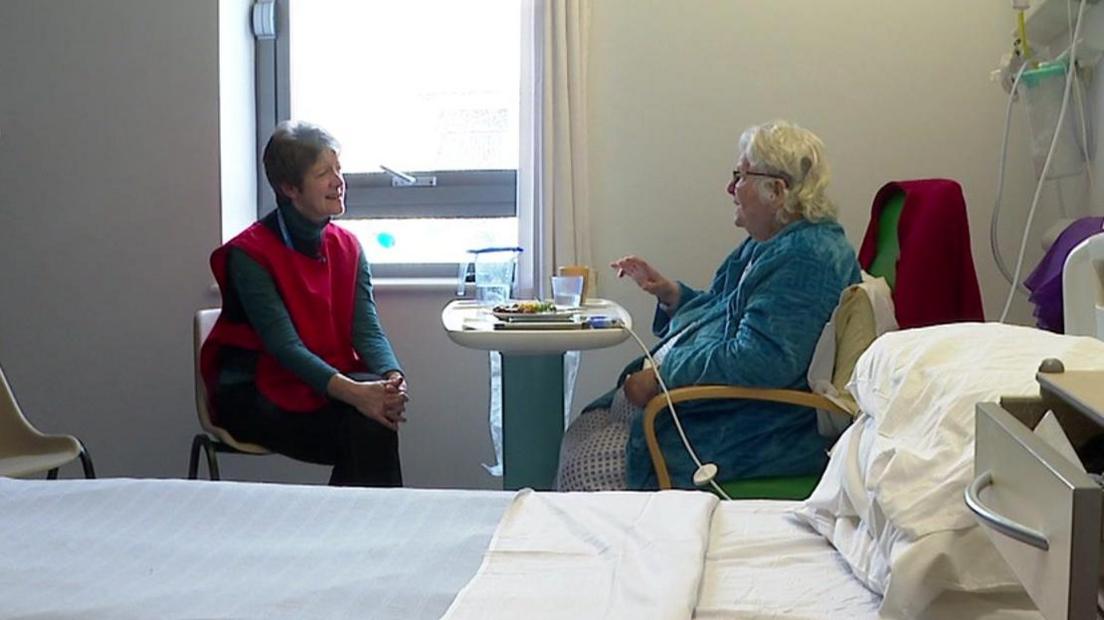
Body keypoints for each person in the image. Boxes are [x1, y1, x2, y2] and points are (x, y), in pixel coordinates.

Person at [557, 120, 861, 491]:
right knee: (580, 433)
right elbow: (725, 311)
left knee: (585, 465)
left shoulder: (808, 258)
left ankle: (624, 549)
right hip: (702, 403)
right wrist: (672, 295)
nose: (730, 187)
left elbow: (762, 359)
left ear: (776, 191)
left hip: (756, 425)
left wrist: (661, 377)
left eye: (741, 175)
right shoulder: (769, 243)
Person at [200, 121, 407, 487]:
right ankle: (370, 535)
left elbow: (366, 328)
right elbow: (285, 348)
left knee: (373, 414)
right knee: (367, 423)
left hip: (315, 382)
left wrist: (392, 379)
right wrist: (360, 394)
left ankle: (349, 535)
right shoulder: (249, 254)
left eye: (339, 169)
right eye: (324, 173)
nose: (339, 181)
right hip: (253, 390)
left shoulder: (348, 246)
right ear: (289, 188)